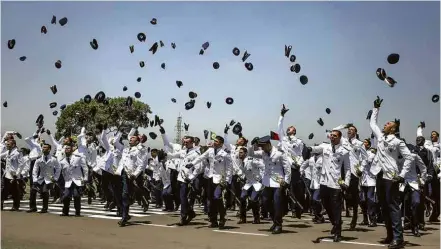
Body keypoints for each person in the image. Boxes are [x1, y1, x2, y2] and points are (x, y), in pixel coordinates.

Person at [369, 96, 413, 249]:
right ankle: (389, 235)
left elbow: (409, 157)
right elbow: (372, 123)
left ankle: (398, 239)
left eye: (388, 124)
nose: (385, 124)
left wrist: (402, 175)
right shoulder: (380, 137)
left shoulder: (397, 142)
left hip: (391, 177)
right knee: (384, 206)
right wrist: (376, 108)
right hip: (379, 175)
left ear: (393, 129)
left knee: (393, 207)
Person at [306, 130, 351, 242]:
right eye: (331, 135)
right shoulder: (325, 147)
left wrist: (347, 182)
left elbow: (347, 169)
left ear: (340, 138)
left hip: (336, 182)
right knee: (326, 205)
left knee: (336, 208)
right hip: (324, 181)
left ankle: (338, 232)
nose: (332, 137)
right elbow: (314, 149)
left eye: (335, 136)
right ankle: (335, 224)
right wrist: (307, 148)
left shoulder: (344, 151)